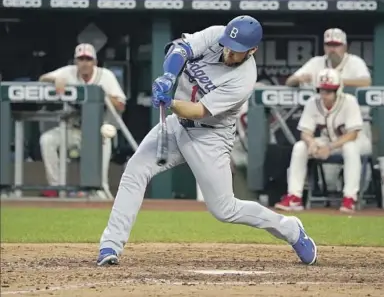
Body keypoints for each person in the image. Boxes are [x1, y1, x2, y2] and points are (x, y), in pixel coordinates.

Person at [96, 15, 317, 267]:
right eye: (228, 47)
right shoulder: (217, 35)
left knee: (225, 209)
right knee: (135, 170)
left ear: (252, 50)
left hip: (209, 136)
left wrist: (169, 102)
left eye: (237, 52)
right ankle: (110, 245)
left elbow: (198, 111)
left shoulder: (243, 80)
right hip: (177, 126)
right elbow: (180, 48)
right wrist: (169, 76)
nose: (228, 53)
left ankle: (290, 229)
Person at [275, 69, 371, 213]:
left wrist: (330, 147)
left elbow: (353, 135)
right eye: (322, 90)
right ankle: (295, 196)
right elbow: (305, 132)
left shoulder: (350, 101)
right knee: (300, 147)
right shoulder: (313, 102)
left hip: (357, 142)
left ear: (338, 90)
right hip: (329, 140)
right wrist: (311, 143)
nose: (325, 94)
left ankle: (350, 198)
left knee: (350, 147)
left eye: (329, 91)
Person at [38, 43, 126, 199]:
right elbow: (42, 79)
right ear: (75, 62)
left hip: (98, 132)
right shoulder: (69, 72)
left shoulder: (105, 75)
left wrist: (101, 95)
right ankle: (55, 186)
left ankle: (99, 189)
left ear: (95, 62)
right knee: (47, 140)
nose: (84, 63)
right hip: (73, 129)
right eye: (81, 59)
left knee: (103, 152)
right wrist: (56, 79)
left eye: (88, 59)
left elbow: (121, 105)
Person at [285, 28, 371, 89]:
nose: (332, 49)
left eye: (336, 45)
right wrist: (298, 79)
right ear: (324, 47)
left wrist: (336, 81)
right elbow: (289, 81)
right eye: (329, 45)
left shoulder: (355, 61)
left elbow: (366, 82)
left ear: (345, 47)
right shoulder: (315, 62)